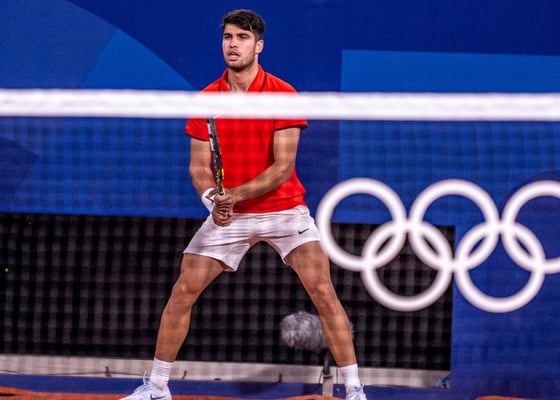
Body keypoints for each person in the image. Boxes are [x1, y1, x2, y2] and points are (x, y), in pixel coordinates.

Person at [120, 9, 367, 400]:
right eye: (228, 37)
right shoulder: (207, 99)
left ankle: (353, 389)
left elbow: (283, 168)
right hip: (230, 216)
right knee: (183, 291)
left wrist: (234, 194)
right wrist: (211, 199)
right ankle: (157, 388)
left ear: (259, 45)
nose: (233, 44)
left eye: (242, 37)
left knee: (323, 291)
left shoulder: (282, 95)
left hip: (284, 210)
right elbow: (198, 166)